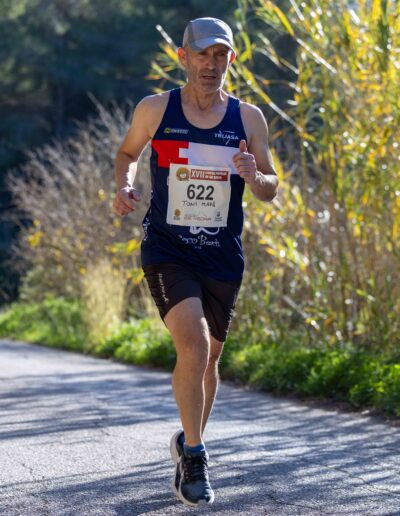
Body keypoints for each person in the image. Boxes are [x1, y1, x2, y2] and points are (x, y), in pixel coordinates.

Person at [112, 17, 278, 508]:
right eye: (202, 54)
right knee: (195, 344)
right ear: (183, 57)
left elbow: (270, 186)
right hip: (168, 248)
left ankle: (187, 443)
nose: (211, 64)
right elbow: (127, 153)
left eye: (220, 54)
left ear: (231, 59)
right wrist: (124, 186)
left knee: (209, 361)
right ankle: (198, 457)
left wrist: (254, 175)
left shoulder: (248, 118)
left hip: (222, 254)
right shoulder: (156, 109)